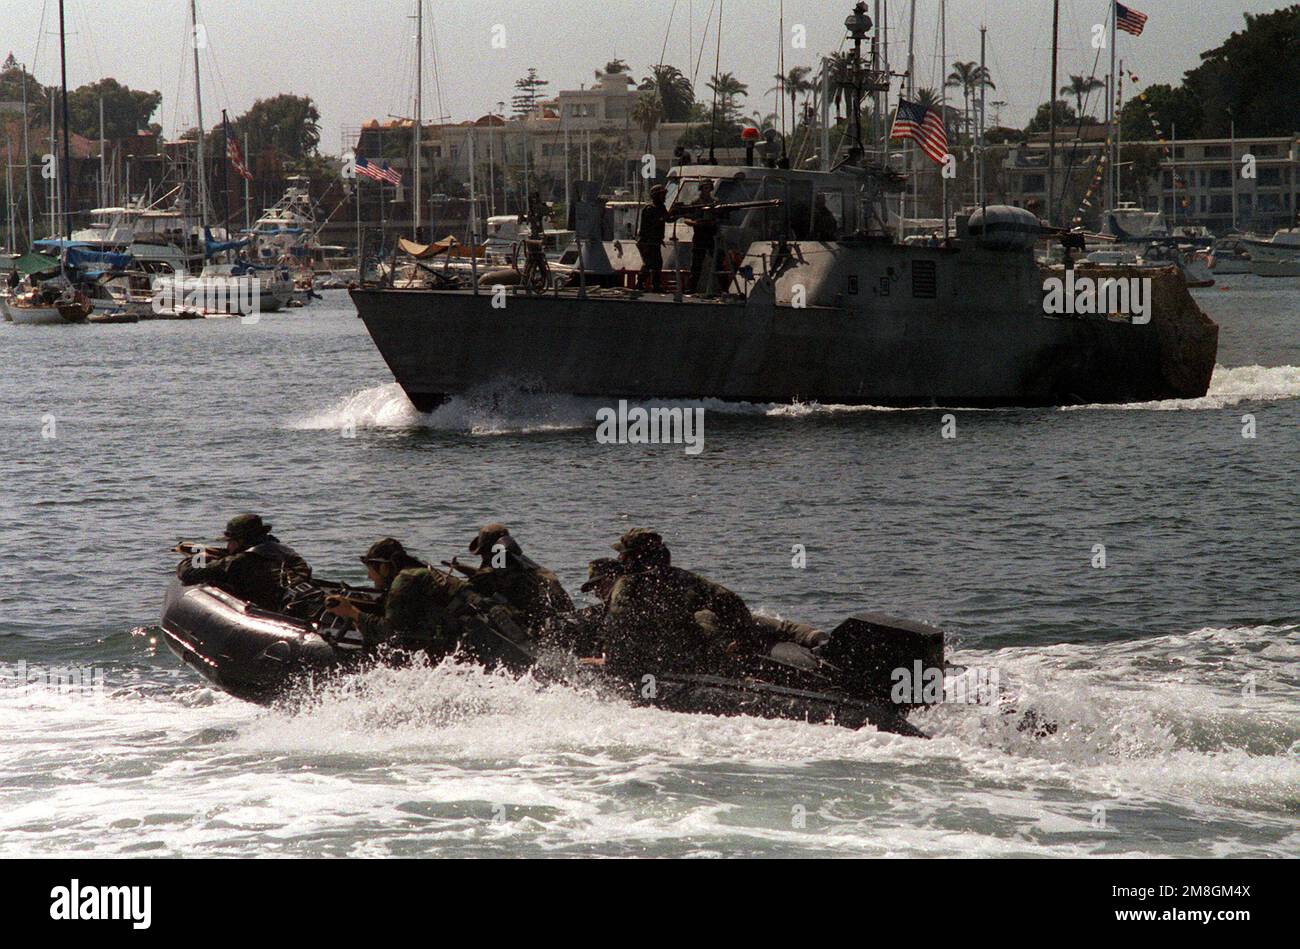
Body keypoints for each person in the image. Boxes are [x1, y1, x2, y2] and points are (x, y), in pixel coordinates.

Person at [599, 528, 763, 678]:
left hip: (652, 664)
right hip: (690, 657)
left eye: (623, 554)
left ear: (634, 558)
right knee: (705, 619)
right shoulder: (684, 578)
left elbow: (618, 625)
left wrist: (611, 664)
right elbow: (731, 603)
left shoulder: (627, 585)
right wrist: (743, 642)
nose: (620, 558)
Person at [324, 537, 462, 657]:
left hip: (452, 644)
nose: (369, 576)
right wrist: (350, 604)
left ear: (383, 567)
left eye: (371, 569)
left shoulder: (404, 581)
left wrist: (351, 612)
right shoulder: (417, 574)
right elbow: (395, 610)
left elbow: (390, 632)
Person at [176, 513, 311, 612]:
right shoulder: (287, 552)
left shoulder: (239, 562)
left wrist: (196, 556)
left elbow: (189, 572)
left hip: (287, 608)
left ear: (240, 541)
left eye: (229, 541)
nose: (228, 546)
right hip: (307, 601)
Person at [455, 524, 574, 630]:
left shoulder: (496, 571)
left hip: (541, 624)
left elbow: (476, 584)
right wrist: (462, 568)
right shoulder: (526, 564)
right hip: (562, 618)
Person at [538, 557, 624, 657]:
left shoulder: (625, 606)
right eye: (594, 588)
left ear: (613, 578)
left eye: (598, 585)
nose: (596, 593)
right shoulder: (608, 607)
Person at [683, 179, 721, 295]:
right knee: (696, 264)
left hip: (711, 234)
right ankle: (691, 288)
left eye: (709, 187)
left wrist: (713, 222)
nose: (707, 190)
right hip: (699, 235)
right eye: (705, 187)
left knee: (718, 261)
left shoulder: (715, 202)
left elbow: (720, 216)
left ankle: (724, 288)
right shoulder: (696, 203)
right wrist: (697, 223)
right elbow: (687, 218)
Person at [636, 185, 675, 292]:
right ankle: (640, 283)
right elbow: (656, 221)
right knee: (649, 263)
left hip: (655, 241)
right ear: (656, 196)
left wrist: (677, 213)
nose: (664, 197)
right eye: (662, 194)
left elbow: (668, 219)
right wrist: (668, 216)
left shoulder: (661, 207)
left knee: (657, 264)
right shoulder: (650, 208)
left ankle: (656, 285)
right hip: (647, 241)